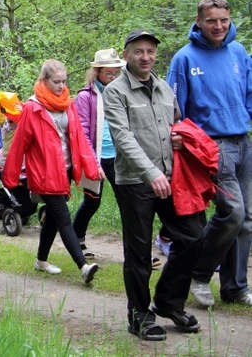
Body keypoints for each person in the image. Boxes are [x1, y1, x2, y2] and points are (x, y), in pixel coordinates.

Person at [104, 29, 204, 341]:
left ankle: (169, 302)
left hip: (171, 177)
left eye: (150, 51)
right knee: (138, 250)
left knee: (194, 236)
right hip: (136, 181)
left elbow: (176, 124)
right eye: (138, 52)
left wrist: (179, 137)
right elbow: (122, 138)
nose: (145, 57)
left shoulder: (163, 89)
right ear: (127, 55)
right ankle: (139, 315)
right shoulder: (115, 92)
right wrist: (151, 173)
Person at [166, 0, 252, 307]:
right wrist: (180, 141)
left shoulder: (239, 52)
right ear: (199, 21)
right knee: (232, 212)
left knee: (247, 219)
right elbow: (172, 108)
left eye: (223, 20)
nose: (218, 26)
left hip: (243, 141)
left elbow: (249, 92)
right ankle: (199, 273)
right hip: (210, 147)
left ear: (230, 20)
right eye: (211, 20)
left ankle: (235, 287)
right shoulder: (184, 59)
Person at [3, 59, 102, 285]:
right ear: (44, 80)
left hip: (65, 169)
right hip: (44, 172)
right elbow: (20, 143)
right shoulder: (32, 107)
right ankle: (83, 266)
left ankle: (41, 260)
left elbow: (78, 137)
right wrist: (10, 175)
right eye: (56, 82)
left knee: (53, 218)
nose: (61, 86)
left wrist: (92, 166)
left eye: (64, 81)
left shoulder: (67, 102)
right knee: (63, 217)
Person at [72, 48, 125, 257]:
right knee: (93, 201)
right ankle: (77, 238)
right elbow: (82, 133)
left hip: (119, 156)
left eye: (116, 73)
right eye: (108, 73)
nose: (112, 77)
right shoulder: (86, 97)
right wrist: (93, 162)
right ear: (97, 72)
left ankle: (136, 249)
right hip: (96, 157)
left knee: (127, 202)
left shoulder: (121, 92)